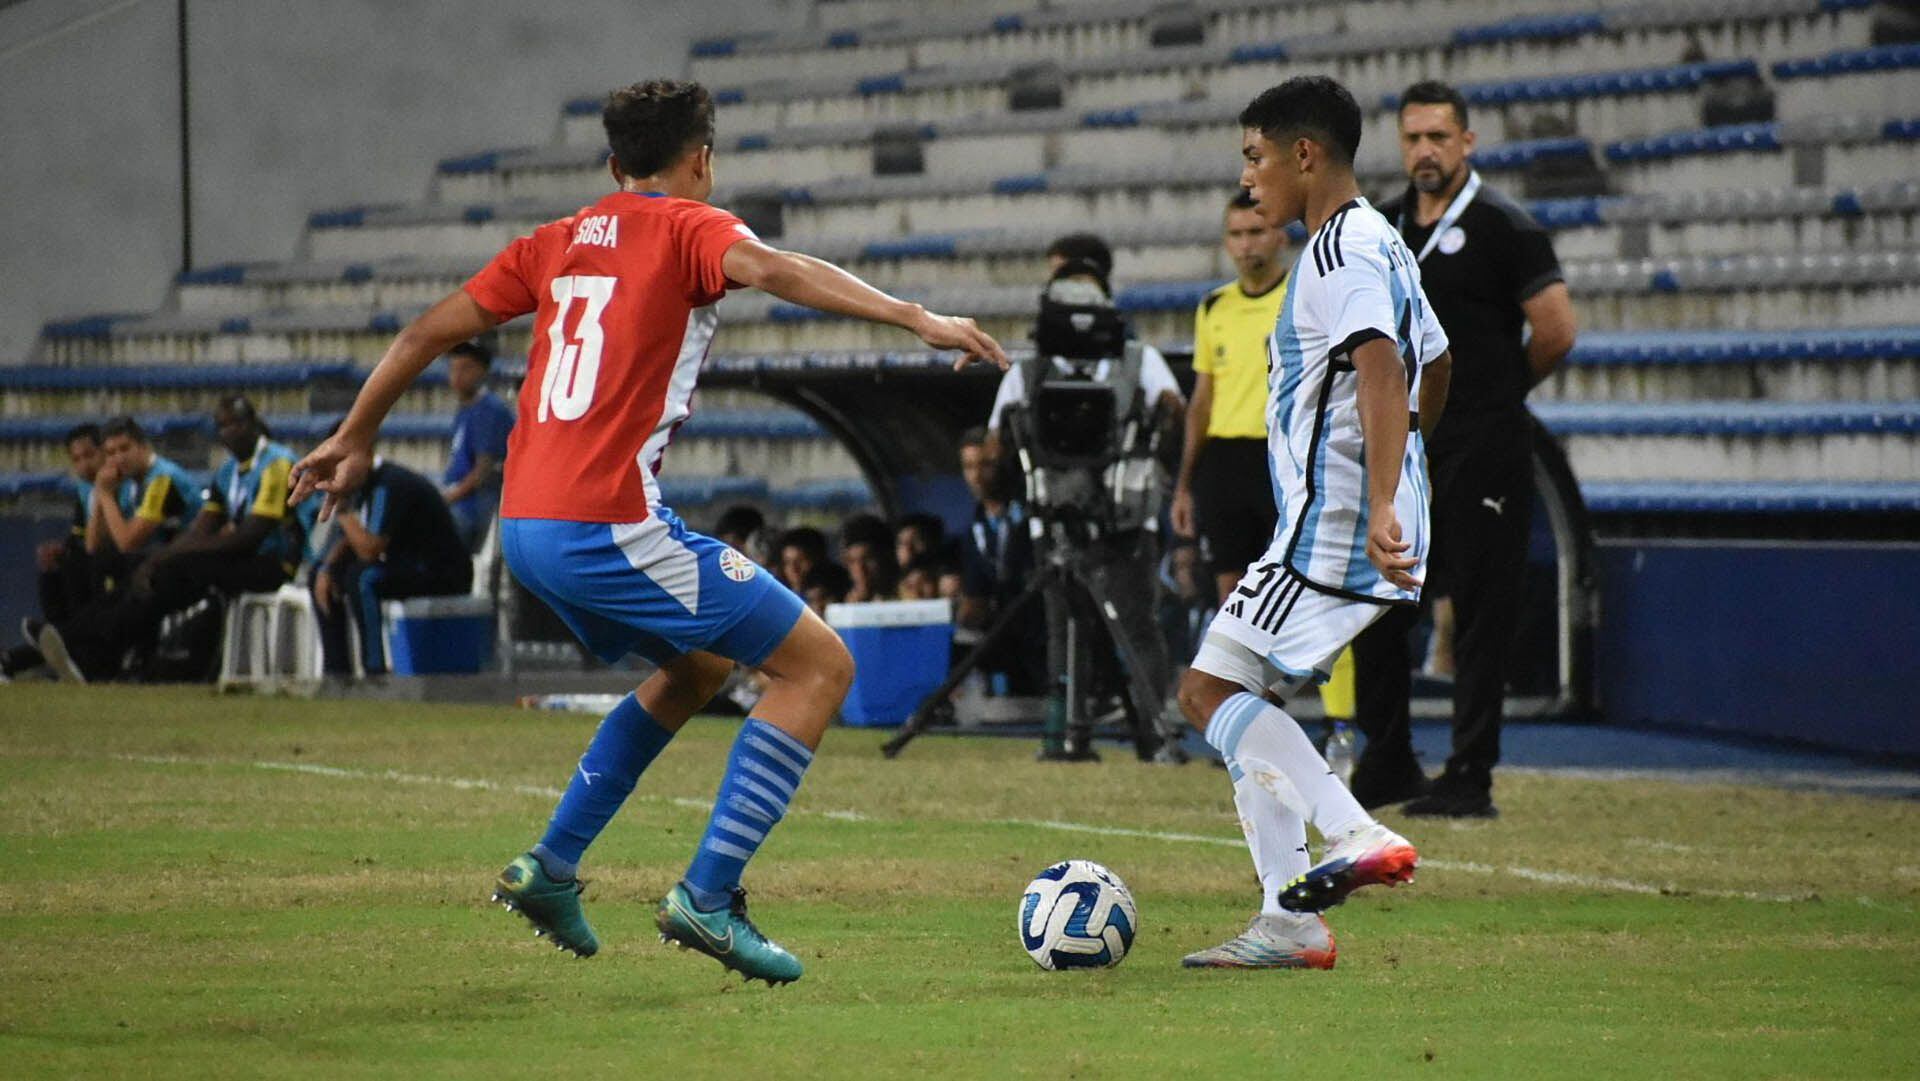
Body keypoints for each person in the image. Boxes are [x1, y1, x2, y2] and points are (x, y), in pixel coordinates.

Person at [288, 78, 1005, 985]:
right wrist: (918, 319)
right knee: (819, 665)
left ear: (612, 162)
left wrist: (356, 435)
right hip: (604, 525)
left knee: (700, 666)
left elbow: (428, 331)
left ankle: (550, 868)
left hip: (528, 527)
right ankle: (709, 894)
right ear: (700, 159)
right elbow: (781, 270)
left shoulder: (555, 243)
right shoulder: (691, 227)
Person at [1174, 76, 1453, 970]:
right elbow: (1435, 364)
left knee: (1208, 691)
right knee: (1238, 694)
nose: (1249, 181)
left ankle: (1353, 831)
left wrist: (1377, 499)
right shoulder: (1384, 242)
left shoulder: (1338, 255)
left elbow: (1381, 363)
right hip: (1347, 510)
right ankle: (1289, 920)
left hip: (1336, 516)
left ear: (1305, 155)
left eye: (1256, 158)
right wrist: (1407, 466)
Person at [1349, 80, 1577, 819]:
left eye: (1438, 137)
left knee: (1480, 611)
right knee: (1383, 600)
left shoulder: (1505, 227)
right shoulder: (1382, 226)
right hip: (1405, 445)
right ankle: (1386, 757)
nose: (1424, 151)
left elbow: (1555, 328)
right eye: (1412, 137)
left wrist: (1500, 392)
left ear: (1467, 142)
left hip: (1484, 444)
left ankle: (1469, 772)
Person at [36, 396, 319, 683]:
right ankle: (83, 649)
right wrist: (160, 558)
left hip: (277, 563)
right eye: (222, 426)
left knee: (164, 576)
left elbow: (248, 537)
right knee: (149, 577)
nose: (229, 432)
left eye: (236, 423)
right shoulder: (227, 471)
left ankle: (79, 648)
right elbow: (200, 529)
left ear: (254, 423)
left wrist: (170, 557)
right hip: (236, 561)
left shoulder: (277, 463)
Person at [1171, 189, 1291, 607]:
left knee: (1289, 583)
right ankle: (1238, 674)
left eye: (1256, 232)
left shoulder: (1301, 296)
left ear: (1280, 236)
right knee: (1230, 590)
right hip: (1223, 460)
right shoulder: (1214, 307)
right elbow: (1203, 398)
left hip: (1281, 456)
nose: (1245, 244)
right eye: (1236, 234)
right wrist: (1184, 484)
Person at [312, 455, 473, 676]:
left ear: (364, 455)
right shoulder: (364, 484)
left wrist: (342, 511)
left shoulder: (390, 484)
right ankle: (336, 672)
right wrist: (326, 569)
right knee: (322, 574)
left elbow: (370, 550)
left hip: (440, 570)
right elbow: (350, 540)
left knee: (363, 578)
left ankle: (374, 671)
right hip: (407, 565)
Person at [3, 426, 104, 680]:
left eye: (89, 455)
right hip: (94, 564)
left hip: (117, 566)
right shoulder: (85, 489)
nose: (84, 465)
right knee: (54, 567)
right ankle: (63, 653)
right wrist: (60, 549)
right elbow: (80, 535)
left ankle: (17, 659)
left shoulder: (116, 486)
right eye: (76, 459)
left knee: (76, 567)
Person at [955, 426, 1044, 694]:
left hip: (1042, 631)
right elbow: (977, 593)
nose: (976, 476)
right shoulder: (976, 528)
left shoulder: (1032, 513)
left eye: (985, 465)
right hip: (1006, 638)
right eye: (968, 467)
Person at [86, 416, 201, 564]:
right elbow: (93, 547)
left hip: (187, 560)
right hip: (160, 560)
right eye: (111, 453)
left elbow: (128, 544)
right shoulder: (125, 481)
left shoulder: (162, 478)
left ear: (144, 447)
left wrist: (106, 495)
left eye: (125, 448)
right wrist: (101, 495)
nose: (119, 458)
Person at [440, 341, 516, 553]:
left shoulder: (489, 410)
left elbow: (482, 471)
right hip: (460, 500)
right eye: (453, 368)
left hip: (475, 507)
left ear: (482, 371)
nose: (457, 375)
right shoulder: (466, 407)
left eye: (465, 368)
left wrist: (446, 499)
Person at [839, 513, 898, 602]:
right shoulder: (841, 603)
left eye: (867, 559)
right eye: (852, 561)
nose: (860, 569)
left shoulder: (910, 597)